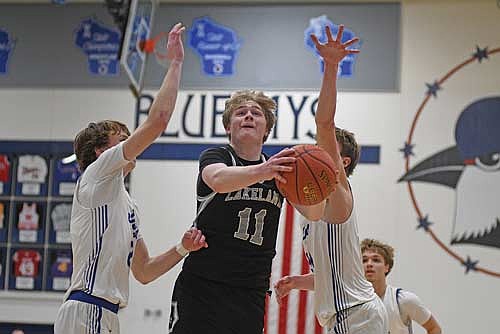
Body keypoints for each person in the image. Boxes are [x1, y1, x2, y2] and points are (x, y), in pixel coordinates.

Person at [54, 23, 208, 334]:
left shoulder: (126, 204)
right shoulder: (96, 176)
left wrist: (182, 248)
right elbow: (157, 122)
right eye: (121, 138)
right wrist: (176, 63)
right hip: (87, 309)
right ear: (100, 152)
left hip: (106, 314)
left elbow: (145, 271)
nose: (129, 142)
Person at [168, 89, 329, 334]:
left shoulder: (279, 173)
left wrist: (321, 188)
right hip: (203, 284)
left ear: (266, 130)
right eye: (240, 113)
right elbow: (219, 180)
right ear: (228, 128)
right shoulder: (218, 156)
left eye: (256, 114)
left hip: (250, 290)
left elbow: (314, 213)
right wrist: (265, 171)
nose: (248, 117)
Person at [274, 25, 388, 334]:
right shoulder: (315, 199)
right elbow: (336, 272)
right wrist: (298, 281)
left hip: (357, 316)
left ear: (342, 161)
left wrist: (331, 67)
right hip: (348, 315)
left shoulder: (338, 188)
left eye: (325, 146)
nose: (317, 146)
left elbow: (324, 121)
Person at [361, 239, 442, 334]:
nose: (369, 264)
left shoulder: (403, 300)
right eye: (364, 260)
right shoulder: (351, 302)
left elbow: (434, 328)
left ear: (387, 267)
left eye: (376, 260)